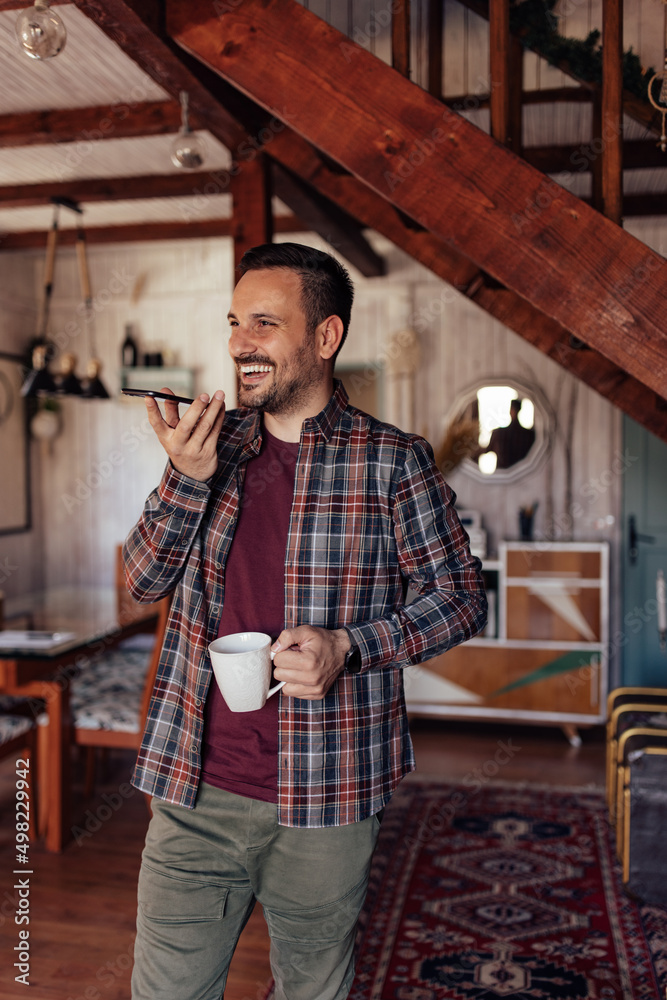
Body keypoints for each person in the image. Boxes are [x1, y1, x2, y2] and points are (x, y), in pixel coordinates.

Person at [123, 242, 487, 1000]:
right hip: (194, 788)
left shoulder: (393, 462)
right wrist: (186, 484)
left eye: (263, 322)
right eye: (233, 323)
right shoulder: (207, 450)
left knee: (312, 990)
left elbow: (459, 596)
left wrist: (349, 647)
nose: (238, 344)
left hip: (330, 795)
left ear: (325, 337)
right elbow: (141, 580)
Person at [484, 398, 535, 470]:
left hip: (502, 474)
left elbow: (487, 450)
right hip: (521, 473)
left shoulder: (498, 432)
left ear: (510, 411)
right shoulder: (529, 434)